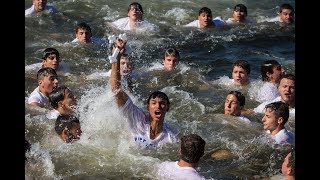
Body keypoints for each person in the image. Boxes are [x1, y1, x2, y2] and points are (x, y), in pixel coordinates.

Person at [110, 38, 178, 148]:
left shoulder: (171, 136)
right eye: (154, 103)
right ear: (147, 107)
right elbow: (116, 90)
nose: (158, 106)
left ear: (168, 108)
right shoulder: (136, 118)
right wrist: (116, 58)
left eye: (162, 103)